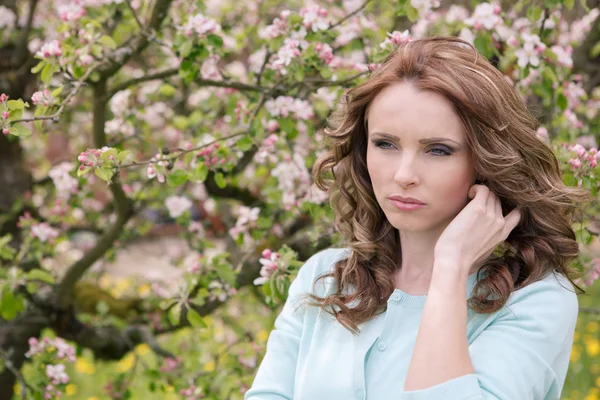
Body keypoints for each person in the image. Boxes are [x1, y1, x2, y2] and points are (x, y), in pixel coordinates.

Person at [244, 36, 591, 400]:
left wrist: (450, 269)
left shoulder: (534, 301)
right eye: (386, 144)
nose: (404, 174)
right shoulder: (324, 278)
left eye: (438, 150)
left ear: (487, 162)